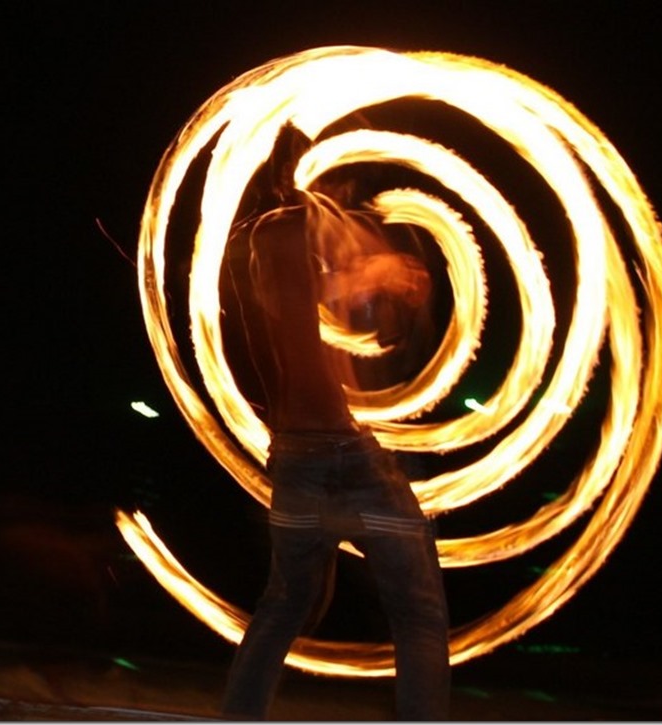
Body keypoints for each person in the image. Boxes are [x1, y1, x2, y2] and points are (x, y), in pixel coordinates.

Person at [220, 124, 450, 720]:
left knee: (283, 607)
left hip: (294, 465)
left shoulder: (257, 247)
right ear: (312, 174)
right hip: (353, 468)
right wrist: (377, 273)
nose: (345, 193)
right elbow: (323, 295)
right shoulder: (299, 230)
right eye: (335, 176)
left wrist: (373, 282)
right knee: (418, 613)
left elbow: (314, 302)